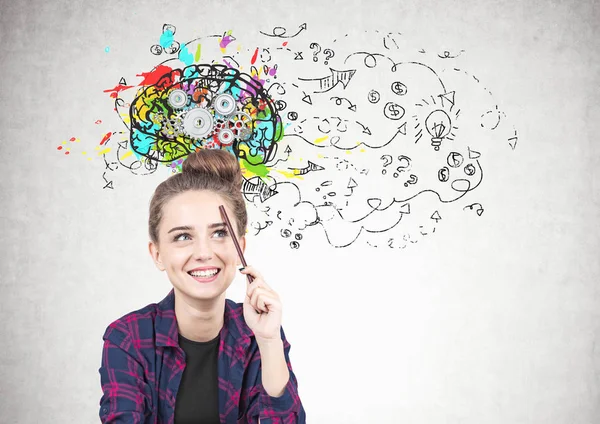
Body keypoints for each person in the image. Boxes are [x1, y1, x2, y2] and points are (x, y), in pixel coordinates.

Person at [98, 148, 306, 423]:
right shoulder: (128, 339)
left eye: (220, 233)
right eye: (183, 236)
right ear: (157, 254)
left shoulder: (259, 334)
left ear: (240, 247)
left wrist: (269, 343)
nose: (204, 252)